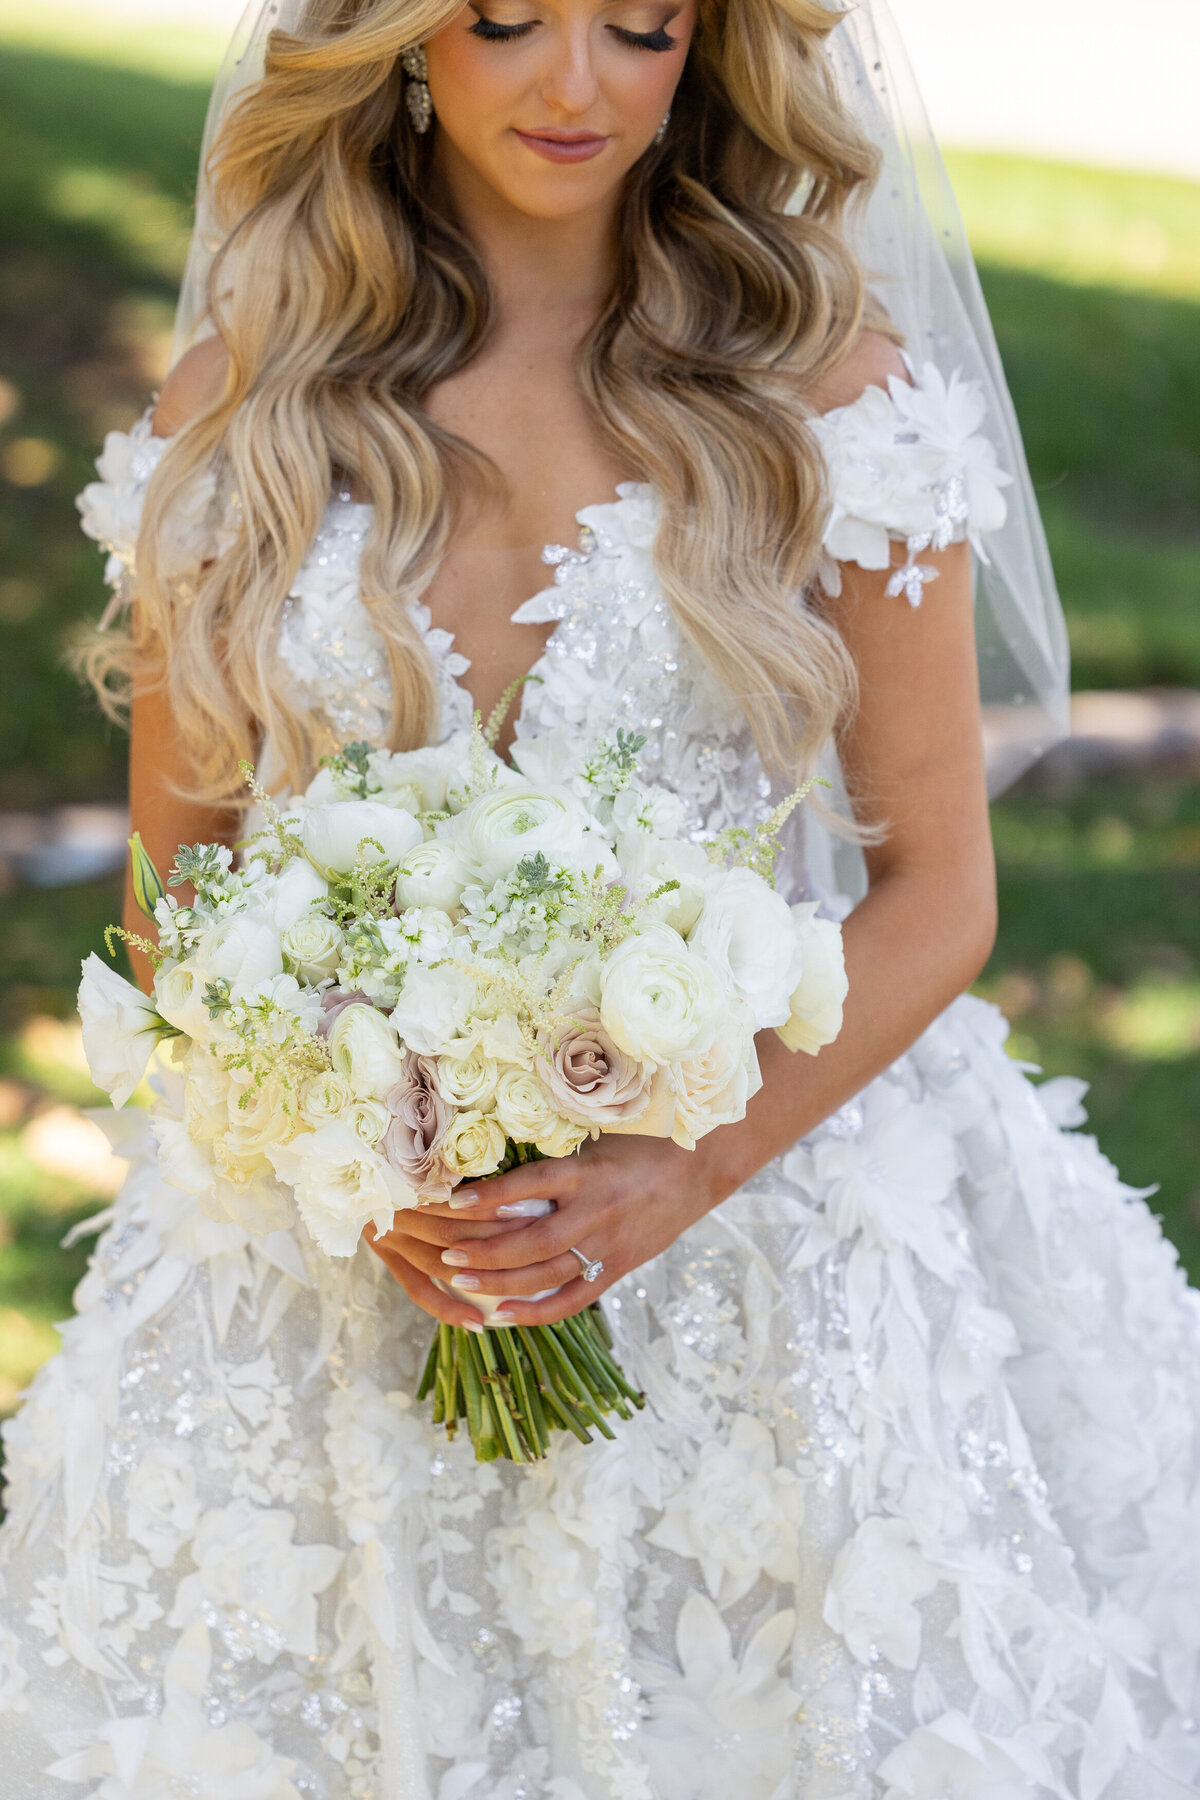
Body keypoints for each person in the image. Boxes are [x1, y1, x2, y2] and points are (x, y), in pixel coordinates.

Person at [1, 0, 1198, 1793]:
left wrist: (685, 1166)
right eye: (506, 20)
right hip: (337, 1265)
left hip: (760, 1231)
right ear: (406, 41)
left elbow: (941, 895)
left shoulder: (829, 399)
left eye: (640, 27)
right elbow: (184, 898)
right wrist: (353, 1144)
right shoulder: (245, 402)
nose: (577, 85)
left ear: (703, 50)